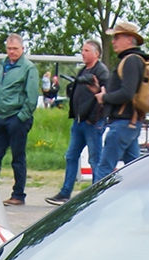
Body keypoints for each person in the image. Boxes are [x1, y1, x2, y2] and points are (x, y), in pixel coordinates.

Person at [47, 40, 110, 205]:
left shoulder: (101, 71)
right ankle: (65, 192)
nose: (83, 53)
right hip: (79, 121)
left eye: (87, 50)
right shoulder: (83, 70)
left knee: (95, 159)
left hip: (93, 121)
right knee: (71, 156)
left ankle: (96, 195)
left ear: (96, 53)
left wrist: (96, 116)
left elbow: (106, 95)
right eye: (82, 50)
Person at [0, 34, 41, 206]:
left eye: (15, 48)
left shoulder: (28, 68)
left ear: (22, 49)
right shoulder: (3, 65)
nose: (12, 52)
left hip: (16, 118)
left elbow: (32, 97)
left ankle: (18, 194)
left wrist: (21, 117)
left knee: (17, 157)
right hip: (0, 116)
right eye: (9, 48)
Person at [92, 21, 149, 183]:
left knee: (103, 169)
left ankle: (96, 207)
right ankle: (148, 205)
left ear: (129, 39)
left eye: (117, 37)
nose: (113, 41)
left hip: (123, 124)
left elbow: (127, 93)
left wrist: (104, 97)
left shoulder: (131, 60)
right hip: (130, 123)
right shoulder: (135, 60)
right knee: (136, 173)